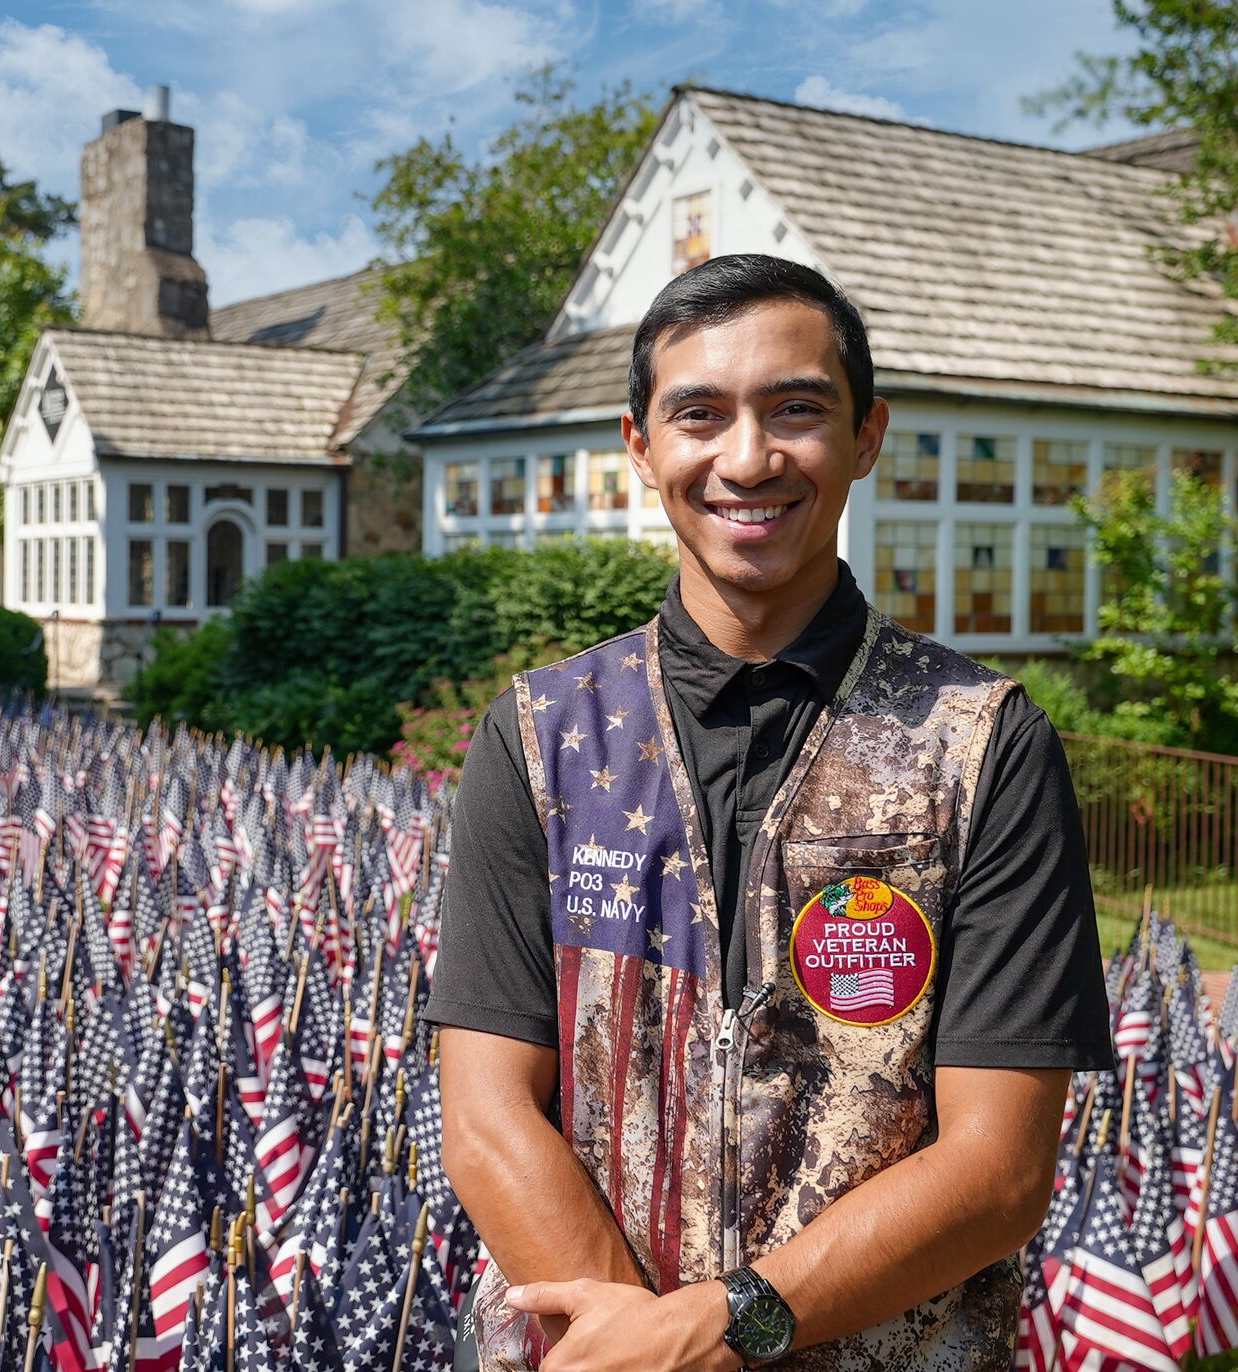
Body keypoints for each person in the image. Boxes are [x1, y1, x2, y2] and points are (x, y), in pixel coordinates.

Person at [427, 253, 1111, 1371]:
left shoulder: (984, 745)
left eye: (797, 410)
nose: (747, 458)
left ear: (867, 436)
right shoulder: (541, 737)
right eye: (699, 415)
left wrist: (724, 1326)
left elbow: (998, 1168)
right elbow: (488, 1108)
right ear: (640, 447)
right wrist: (638, 1347)